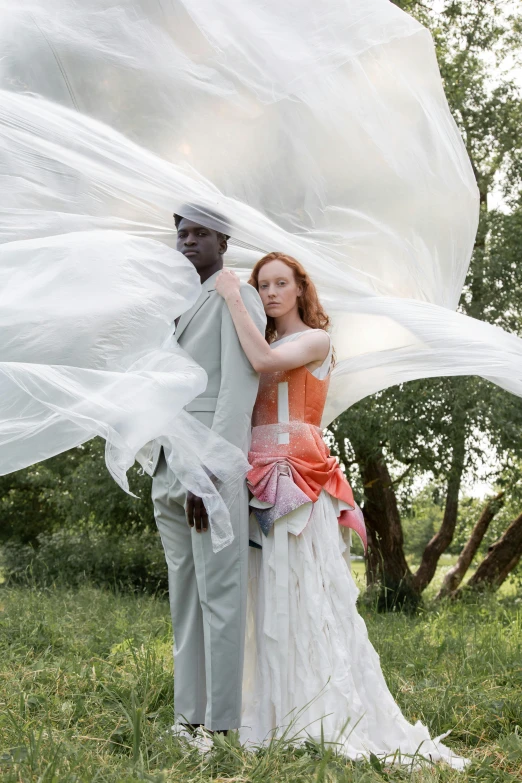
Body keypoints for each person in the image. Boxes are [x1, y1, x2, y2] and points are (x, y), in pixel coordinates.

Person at [215, 252, 467, 768]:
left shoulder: (315, 339)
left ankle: (311, 711)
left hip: (296, 477)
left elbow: (264, 363)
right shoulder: (260, 337)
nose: (269, 293)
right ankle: (262, 705)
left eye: (280, 283)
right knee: (263, 591)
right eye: (260, 285)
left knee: (301, 593)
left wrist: (229, 297)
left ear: (300, 288)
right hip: (256, 473)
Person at [142, 207, 266, 738]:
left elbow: (237, 393)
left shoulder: (238, 297)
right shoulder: (175, 301)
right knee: (184, 601)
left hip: (208, 472)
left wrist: (210, 475)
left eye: (199, 234)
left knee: (220, 599)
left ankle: (221, 729)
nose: (188, 241)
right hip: (167, 465)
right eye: (182, 233)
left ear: (224, 240)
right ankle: (186, 720)